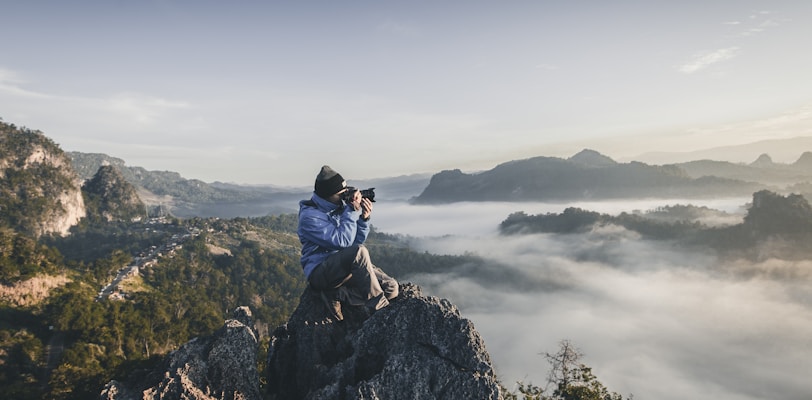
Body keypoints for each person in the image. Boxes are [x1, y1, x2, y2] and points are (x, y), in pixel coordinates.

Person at [297, 165, 399, 321]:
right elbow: (343, 243)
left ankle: (339, 295)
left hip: (343, 268)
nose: (344, 197)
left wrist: (364, 219)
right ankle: (380, 310)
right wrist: (350, 211)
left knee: (391, 288)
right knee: (359, 251)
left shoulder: (338, 208)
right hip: (321, 272)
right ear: (327, 195)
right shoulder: (310, 217)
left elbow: (354, 243)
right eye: (341, 194)